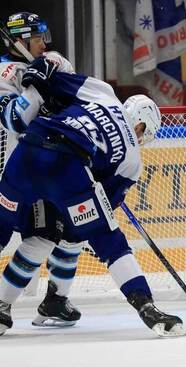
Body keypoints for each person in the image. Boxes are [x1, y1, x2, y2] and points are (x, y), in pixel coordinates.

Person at [0, 59, 184, 338]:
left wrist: (39, 70)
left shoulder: (102, 92)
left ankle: (2, 307)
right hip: (68, 166)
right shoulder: (133, 161)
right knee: (108, 239)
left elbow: (50, 83)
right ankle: (146, 305)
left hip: (27, 152)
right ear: (143, 127)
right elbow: (104, 208)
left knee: (31, 234)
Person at [0, 12, 85, 326]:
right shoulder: (4, 72)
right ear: (19, 40)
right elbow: (13, 120)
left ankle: (55, 300)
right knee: (40, 236)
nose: (43, 44)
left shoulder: (51, 63)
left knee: (74, 230)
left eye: (43, 38)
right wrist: (36, 91)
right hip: (17, 170)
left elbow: (77, 103)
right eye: (37, 38)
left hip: (50, 167)